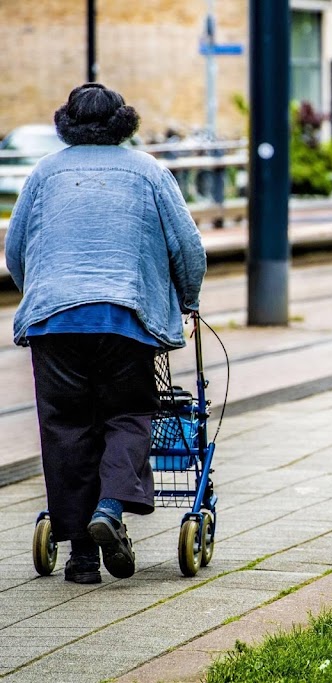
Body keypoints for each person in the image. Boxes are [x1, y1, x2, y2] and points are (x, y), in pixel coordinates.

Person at [5, 83, 207, 583]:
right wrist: (188, 300)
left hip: (55, 322)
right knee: (128, 414)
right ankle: (110, 509)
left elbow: (15, 250)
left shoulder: (44, 174)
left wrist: (44, 294)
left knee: (66, 427)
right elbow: (188, 249)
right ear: (124, 122)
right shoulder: (150, 171)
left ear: (66, 123)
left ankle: (79, 559)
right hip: (125, 319)